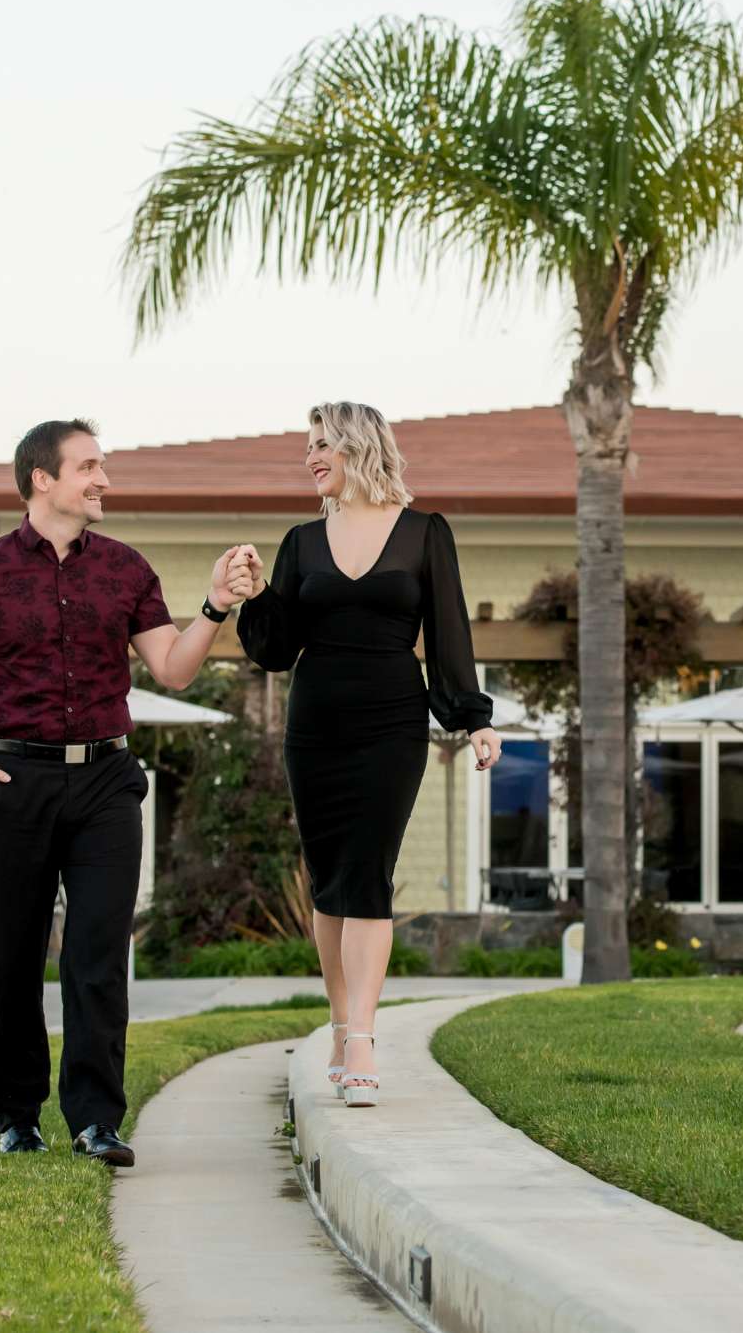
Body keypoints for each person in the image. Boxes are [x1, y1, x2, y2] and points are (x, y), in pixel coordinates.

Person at [0, 418, 251, 1164]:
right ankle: (17, 1119)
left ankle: (96, 1121)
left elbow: (174, 669)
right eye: (89, 466)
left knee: (97, 954)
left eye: (103, 466)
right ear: (42, 479)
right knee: (13, 958)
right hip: (12, 781)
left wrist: (216, 605)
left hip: (105, 783)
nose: (103, 480)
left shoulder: (126, 569)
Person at [229, 401, 499, 1106]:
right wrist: (257, 595)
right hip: (314, 723)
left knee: (367, 875)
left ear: (357, 446)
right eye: (308, 446)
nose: (310, 457)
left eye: (322, 444)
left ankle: (361, 1042)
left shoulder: (423, 534)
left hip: (391, 723)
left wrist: (473, 720)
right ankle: (341, 1020)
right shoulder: (299, 541)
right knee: (328, 881)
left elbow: (448, 633)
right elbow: (276, 649)